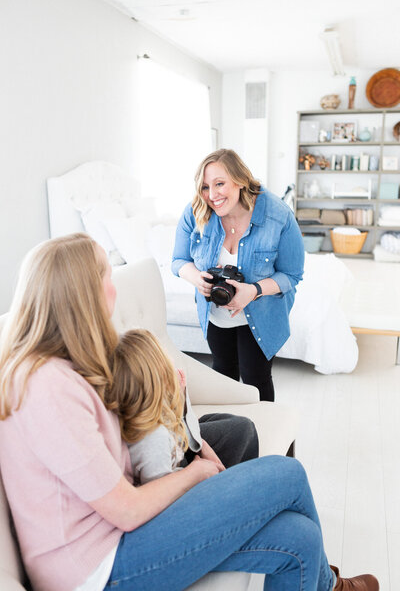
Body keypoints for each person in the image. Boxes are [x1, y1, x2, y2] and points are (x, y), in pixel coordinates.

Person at [0, 233, 378, 591]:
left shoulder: (66, 362)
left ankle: (327, 584)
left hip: (121, 534)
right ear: (82, 296)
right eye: (106, 277)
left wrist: (185, 426)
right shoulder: (45, 387)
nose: (113, 288)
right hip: (96, 569)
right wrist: (196, 474)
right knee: (287, 472)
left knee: (300, 539)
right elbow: (127, 511)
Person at [172, 149, 305, 402]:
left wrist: (253, 291)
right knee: (222, 375)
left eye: (220, 184)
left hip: (262, 314)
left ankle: (267, 437)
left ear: (240, 180)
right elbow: (179, 261)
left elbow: (291, 275)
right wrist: (197, 278)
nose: (212, 195)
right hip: (215, 315)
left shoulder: (278, 216)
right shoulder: (197, 211)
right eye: (204, 187)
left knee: (256, 379)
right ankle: (232, 433)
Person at [109, 328, 225, 485]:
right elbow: (163, 490)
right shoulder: (154, 438)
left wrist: (180, 396)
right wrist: (200, 472)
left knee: (235, 426)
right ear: (159, 374)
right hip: (177, 478)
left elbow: (187, 433)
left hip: (178, 446)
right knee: (243, 431)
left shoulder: (144, 402)